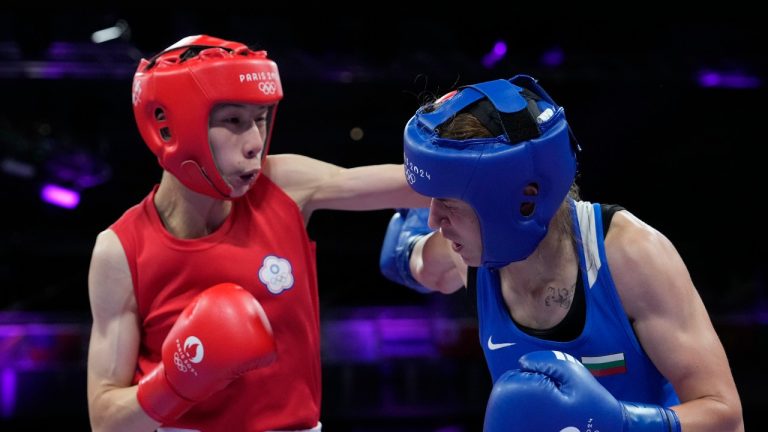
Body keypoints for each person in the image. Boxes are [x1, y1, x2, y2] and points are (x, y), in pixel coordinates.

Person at [86, 34, 428, 432]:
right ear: (170, 127)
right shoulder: (121, 251)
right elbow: (106, 422)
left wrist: (488, 154)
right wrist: (176, 380)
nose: (254, 143)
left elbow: (418, 183)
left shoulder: (284, 187)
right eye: (233, 120)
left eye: (261, 118)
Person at [380, 75, 744, 431]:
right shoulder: (464, 251)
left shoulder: (630, 255)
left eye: (449, 203)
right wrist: (405, 239)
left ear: (517, 201)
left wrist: (624, 424)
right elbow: (407, 258)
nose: (433, 219)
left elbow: (726, 418)